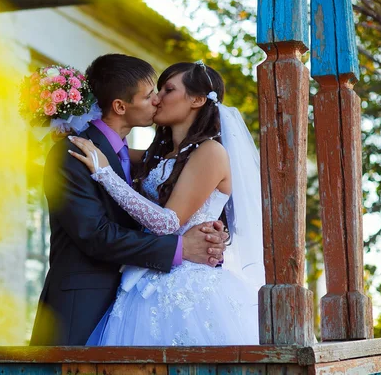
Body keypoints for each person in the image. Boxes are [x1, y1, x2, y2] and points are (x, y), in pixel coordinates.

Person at [29, 55, 229, 346]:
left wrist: (214, 232)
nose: (158, 100)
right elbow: (94, 234)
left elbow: (189, 196)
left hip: (139, 296)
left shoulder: (131, 157)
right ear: (120, 106)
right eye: (150, 95)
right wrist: (182, 247)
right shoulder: (75, 154)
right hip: (83, 302)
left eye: (163, 92)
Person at [69, 61, 265, 345]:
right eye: (157, 90)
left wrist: (104, 175)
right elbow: (113, 149)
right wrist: (69, 125)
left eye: (168, 89)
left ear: (197, 100)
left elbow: (167, 222)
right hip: (146, 278)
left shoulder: (211, 152)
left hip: (189, 285)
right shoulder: (160, 155)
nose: (158, 98)